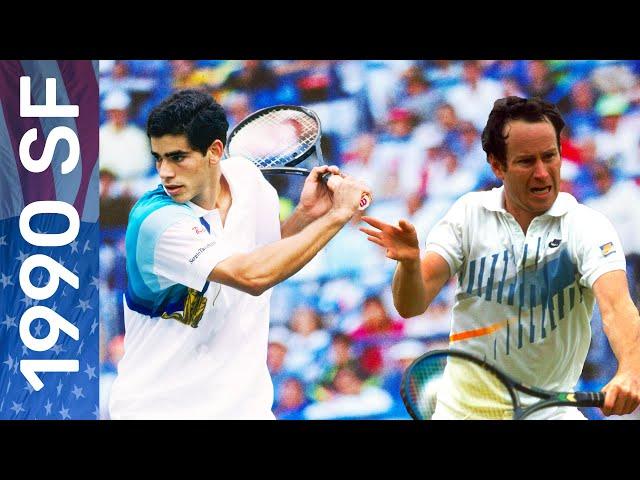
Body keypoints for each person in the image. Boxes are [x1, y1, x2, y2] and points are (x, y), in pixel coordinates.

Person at [360, 96, 640, 419]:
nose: (542, 172)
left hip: (550, 410)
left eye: (550, 157)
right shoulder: (468, 215)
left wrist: (631, 370)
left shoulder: (587, 227)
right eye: (526, 161)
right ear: (497, 165)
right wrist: (408, 264)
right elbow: (411, 304)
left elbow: (618, 308)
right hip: (462, 412)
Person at [108, 89, 370, 419]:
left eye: (178, 157)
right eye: (158, 158)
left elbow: (270, 257)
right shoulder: (156, 221)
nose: (165, 172)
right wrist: (337, 216)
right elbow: (252, 276)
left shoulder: (249, 183)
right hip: (161, 410)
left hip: (244, 408)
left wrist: (306, 214)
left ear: (215, 151)